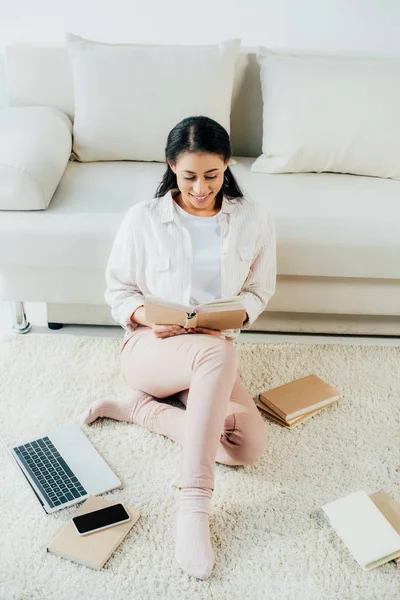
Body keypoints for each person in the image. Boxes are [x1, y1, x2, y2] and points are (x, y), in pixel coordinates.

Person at [81, 115, 277, 580]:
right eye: (189, 176)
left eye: (212, 175)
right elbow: (119, 290)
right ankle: (193, 502)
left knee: (245, 446)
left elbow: (259, 290)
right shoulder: (143, 219)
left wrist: (231, 318)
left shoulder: (253, 217)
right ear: (172, 166)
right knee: (219, 355)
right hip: (151, 348)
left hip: (211, 349)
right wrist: (150, 317)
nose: (201, 187)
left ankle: (141, 412)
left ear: (227, 166)